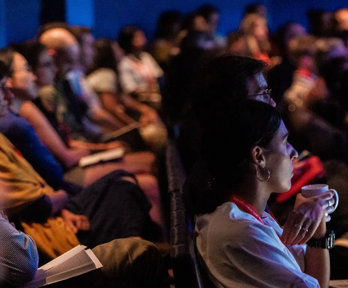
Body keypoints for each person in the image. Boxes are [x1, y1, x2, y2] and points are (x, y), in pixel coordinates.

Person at [185, 99, 334, 287]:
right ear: (259, 156)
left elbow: (312, 278)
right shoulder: (241, 232)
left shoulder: (248, 214)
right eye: (285, 142)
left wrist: (318, 225)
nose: (294, 153)